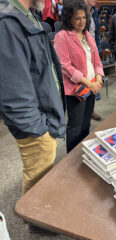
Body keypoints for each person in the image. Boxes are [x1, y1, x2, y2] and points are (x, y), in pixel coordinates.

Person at [0, 0, 66, 195]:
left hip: (44, 119)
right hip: (36, 130)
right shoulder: (7, 22)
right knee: (36, 191)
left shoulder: (28, 14)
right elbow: (13, 93)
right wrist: (39, 131)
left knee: (42, 185)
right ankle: (34, 226)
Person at [54, 0, 104, 153]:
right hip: (76, 90)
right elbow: (65, 65)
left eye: (84, 17)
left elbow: (96, 60)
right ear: (69, 18)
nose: (82, 21)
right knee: (75, 126)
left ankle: (83, 153)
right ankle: (71, 158)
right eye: (77, 18)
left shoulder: (87, 34)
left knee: (86, 123)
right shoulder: (62, 36)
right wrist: (88, 83)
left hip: (92, 87)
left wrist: (98, 79)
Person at [84, 0, 102, 121]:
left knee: (94, 80)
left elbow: (95, 34)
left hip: (93, 50)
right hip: (82, 50)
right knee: (84, 82)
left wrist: (98, 51)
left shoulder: (94, 11)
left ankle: (91, 110)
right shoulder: (77, 8)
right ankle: (82, 111)